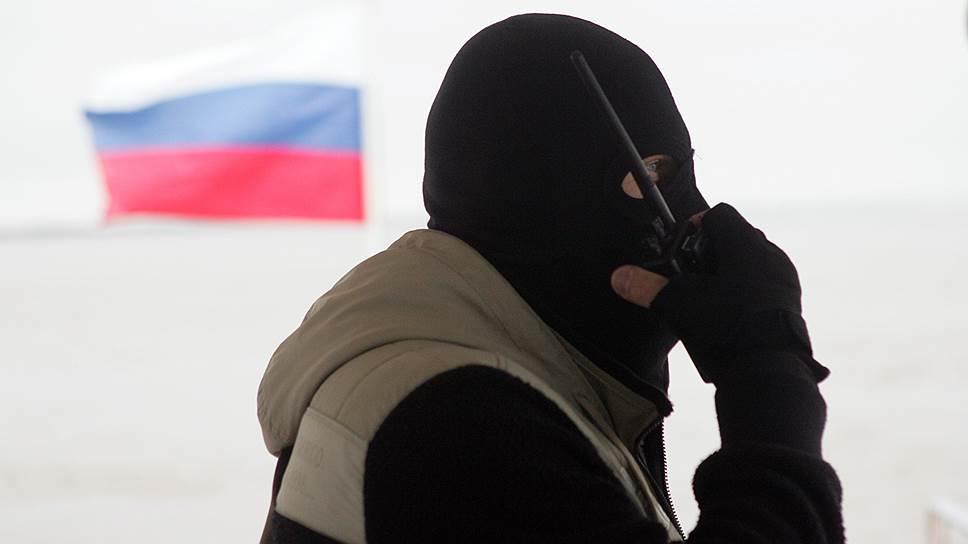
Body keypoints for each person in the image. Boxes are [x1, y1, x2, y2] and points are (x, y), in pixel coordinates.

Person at [257, 13, 844, 543]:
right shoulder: (459, 423)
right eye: (650, 174)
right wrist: (768, 374)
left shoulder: (460, 356)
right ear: (536, 195)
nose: (691, 214)